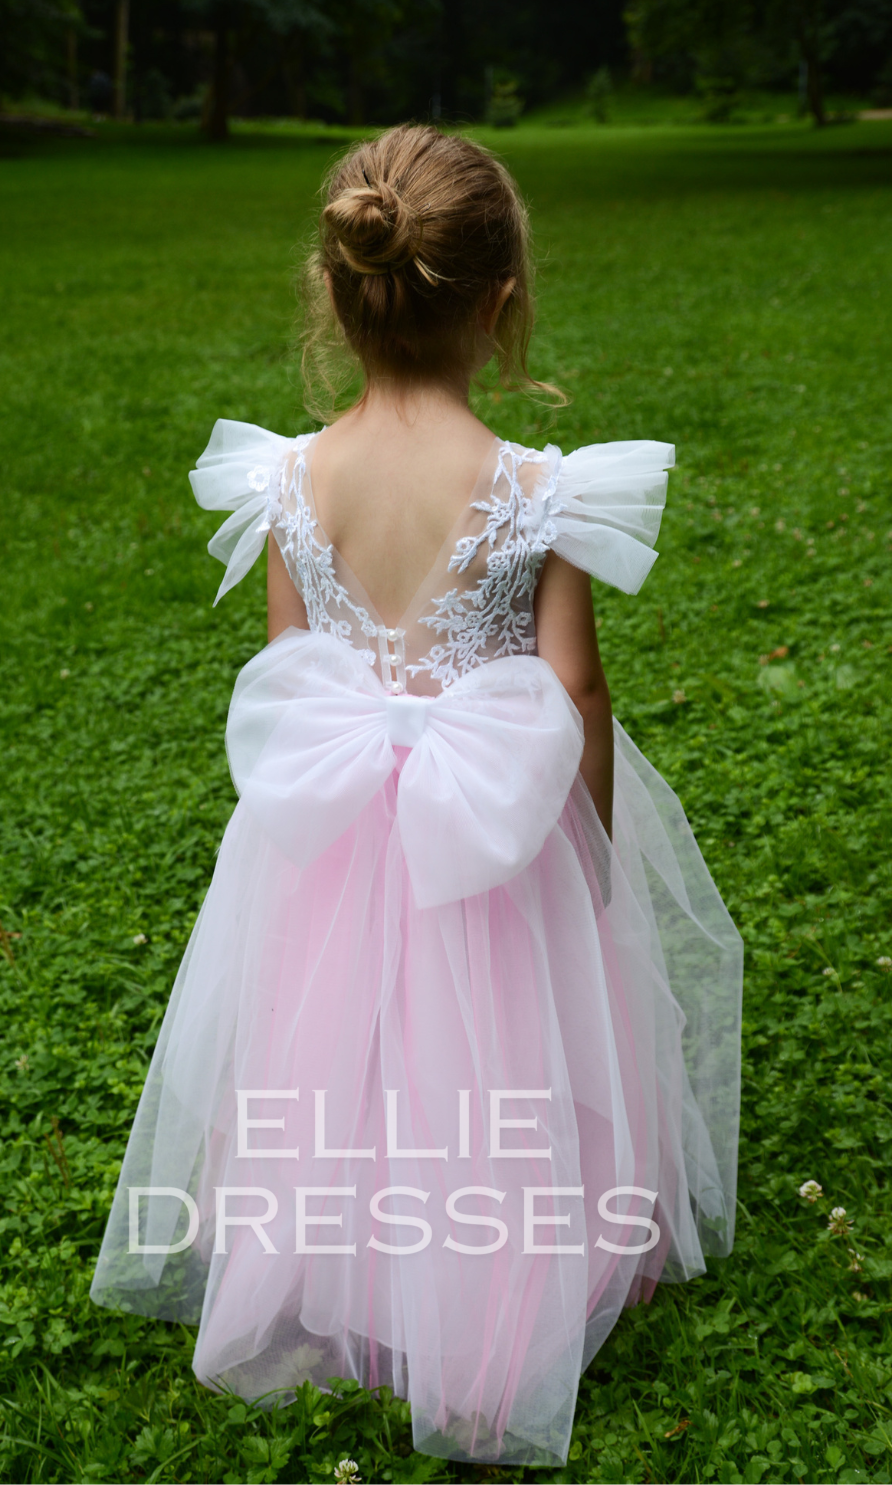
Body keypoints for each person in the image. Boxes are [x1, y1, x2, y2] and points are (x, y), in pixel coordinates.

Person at [90, 124, 742, 1467]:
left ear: (337, 293)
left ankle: (343, 1262)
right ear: (503, 304)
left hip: (329, 834)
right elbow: (573, 698)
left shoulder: (286, 477)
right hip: (496, 831)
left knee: (343, 1050)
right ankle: (493, 1295)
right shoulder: (538, 493)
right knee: (505, 1052)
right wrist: (595, 862)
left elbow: (293, 675)